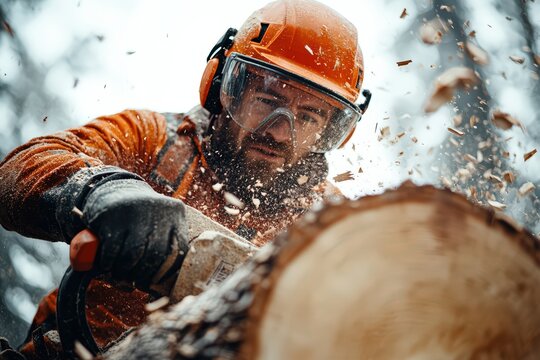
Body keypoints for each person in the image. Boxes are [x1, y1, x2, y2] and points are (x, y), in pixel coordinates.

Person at [0, 0, 370, 357]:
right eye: (267, 100)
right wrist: (101, 191)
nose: (279, 132)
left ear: (332, 130)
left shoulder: (332, 225)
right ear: (225, 87)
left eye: (307, 118)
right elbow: (22, 168)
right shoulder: (154, 139)